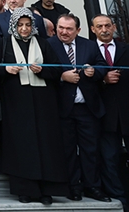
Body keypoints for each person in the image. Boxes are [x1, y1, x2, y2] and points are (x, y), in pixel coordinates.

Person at [0, 8, 68, 204]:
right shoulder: (3, 44)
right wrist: (6, 70)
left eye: (28, 25)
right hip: (16, 103)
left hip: (43, 103)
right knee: (21, 145)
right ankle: (25, 191)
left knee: (45, 144)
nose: (25, 28)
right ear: (14, 26)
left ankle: (46, 191)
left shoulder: (43, 44)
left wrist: (43, 70)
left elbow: (57, 71)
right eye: (20, 25)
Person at [48, 14, 110, 202]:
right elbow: (45, 71)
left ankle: (92, 186)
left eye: (68, 29)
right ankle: (73, 187)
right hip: (62, 108)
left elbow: (102, 66)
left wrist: (94, 71)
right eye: (61, 28)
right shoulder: (49, 44)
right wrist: (61, 77)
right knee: (67, 150)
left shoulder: (89, 45)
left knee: (90, 149)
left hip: (87, 108)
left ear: (78, 30)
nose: (64, 32)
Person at [90, 14, 129, 207]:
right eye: (100, 26)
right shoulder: (88, 51)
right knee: (109, 158)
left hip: (126, 112)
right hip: (104, 115)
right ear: (93, 29)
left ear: (113, 27)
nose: (104, 29)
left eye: (107, 25)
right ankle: (120, 199)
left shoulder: (126, 49)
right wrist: (103, 80)